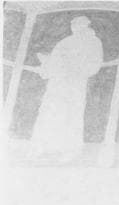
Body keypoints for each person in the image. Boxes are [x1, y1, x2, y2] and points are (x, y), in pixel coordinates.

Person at [30, 16, 103, 161]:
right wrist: (46, 63)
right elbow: (55, 60)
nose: (75, 27)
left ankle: (70, 150)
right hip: (57, 83)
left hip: (75, 84)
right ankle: (46, 148)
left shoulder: (93, 42)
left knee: (72, 114)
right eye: (74, 24)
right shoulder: (66, 41)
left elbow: (94, 64)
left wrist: (76, 71)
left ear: (86, 26)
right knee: (51, 112)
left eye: (79, 24)